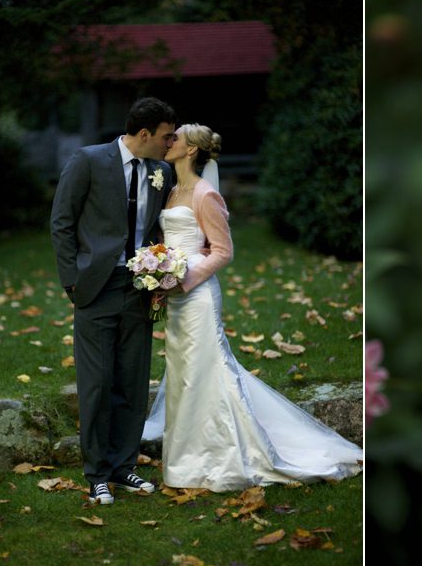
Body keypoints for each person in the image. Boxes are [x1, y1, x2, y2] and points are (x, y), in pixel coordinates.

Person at [146, 123, 362, 491]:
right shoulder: (169, 191)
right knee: (183, 377)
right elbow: (171, 242)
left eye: (176, 138)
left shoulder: (205, 193)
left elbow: (223, 252)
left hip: (197, 297)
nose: (170, 142)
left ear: (191, 150)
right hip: (177, 300)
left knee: (207, 372)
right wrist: (158, 273)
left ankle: (223, 455)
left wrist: (183, 278)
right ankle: (185, 460)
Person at [51, 98, 177, 505]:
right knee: (97, 384)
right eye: (165, 136)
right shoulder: (88, 160)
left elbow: (157, 227)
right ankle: (97, 474)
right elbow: (62, 222)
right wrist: (73, 282)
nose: (170, 143)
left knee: (132, 381)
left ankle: (124, 467)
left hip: (140, 289)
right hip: (95, 288)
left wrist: (160, 271)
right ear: (144, 134)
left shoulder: (161, 171)